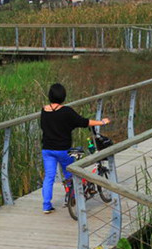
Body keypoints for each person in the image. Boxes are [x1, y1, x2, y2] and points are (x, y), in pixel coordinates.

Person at [39, 83, 110, 214]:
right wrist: (102, 122)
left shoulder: (44, 110)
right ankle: (73, 197)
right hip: (63, 149)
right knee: (71, 173)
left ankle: (46, 205)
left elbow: (43, 126)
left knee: (49, 177)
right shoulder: (66, 111)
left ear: (50, 96)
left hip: (47, 149)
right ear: (63, 96)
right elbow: (84, 122)